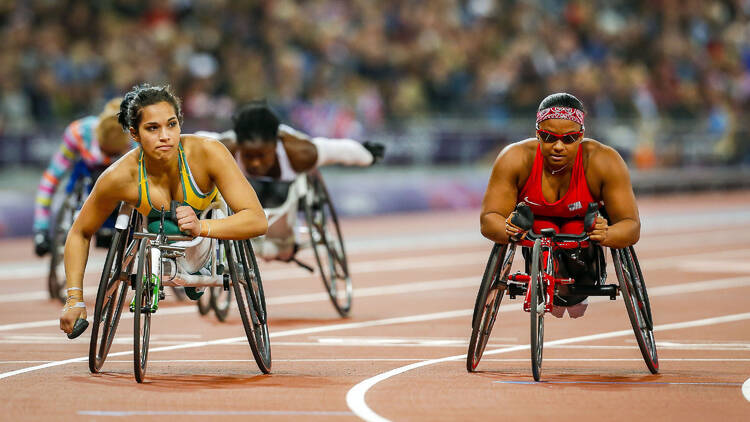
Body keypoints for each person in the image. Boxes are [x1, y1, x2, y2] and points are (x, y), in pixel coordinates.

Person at [59, 84, 267, 336]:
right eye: (152, 128)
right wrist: (74, 299)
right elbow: (80, 232)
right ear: (134, 134)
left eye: (171, 124)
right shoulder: (119, 177)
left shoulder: (208, 153)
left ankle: (200, 263)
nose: (165, 136)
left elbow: (257, 220)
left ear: (180, 123)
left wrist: (203, 227)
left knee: (187, 229)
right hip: (155, 234)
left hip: (207, 231)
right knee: (160, 225)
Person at [480, 92, 640, 318]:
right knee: (541, 227)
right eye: (548, 137)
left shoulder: (605, 161)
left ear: (582, 136)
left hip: (583, 236)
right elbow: (489, 218)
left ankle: (577, 284)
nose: (558, 146)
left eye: (569, 139)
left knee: (575, 231)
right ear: (537, 133)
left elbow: (631, 225)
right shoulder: (514, 158)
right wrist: (508, 229)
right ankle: (545, 275)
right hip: (536, 236)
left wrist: (608, 233)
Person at [201, 100, 384, 261]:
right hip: (247, 194)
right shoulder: (226, 148)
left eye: (262, 155)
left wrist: (367, 155)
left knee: (284, 249)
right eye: (249, 156)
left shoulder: (300, 153)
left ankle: (283, 241)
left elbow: (335, 149)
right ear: (240, 146)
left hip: (284, 198)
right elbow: (198, 141)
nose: (256, 163)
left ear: (276, 145)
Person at [33, 98, 133, 256]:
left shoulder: (134, 142)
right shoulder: (78, 133)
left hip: (119, 179)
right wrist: (41, 229)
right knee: (80, 172)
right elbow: (50, 180)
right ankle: (74, 215)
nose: (106, 159)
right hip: (85, 172)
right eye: (104, 152)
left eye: (112, 155)